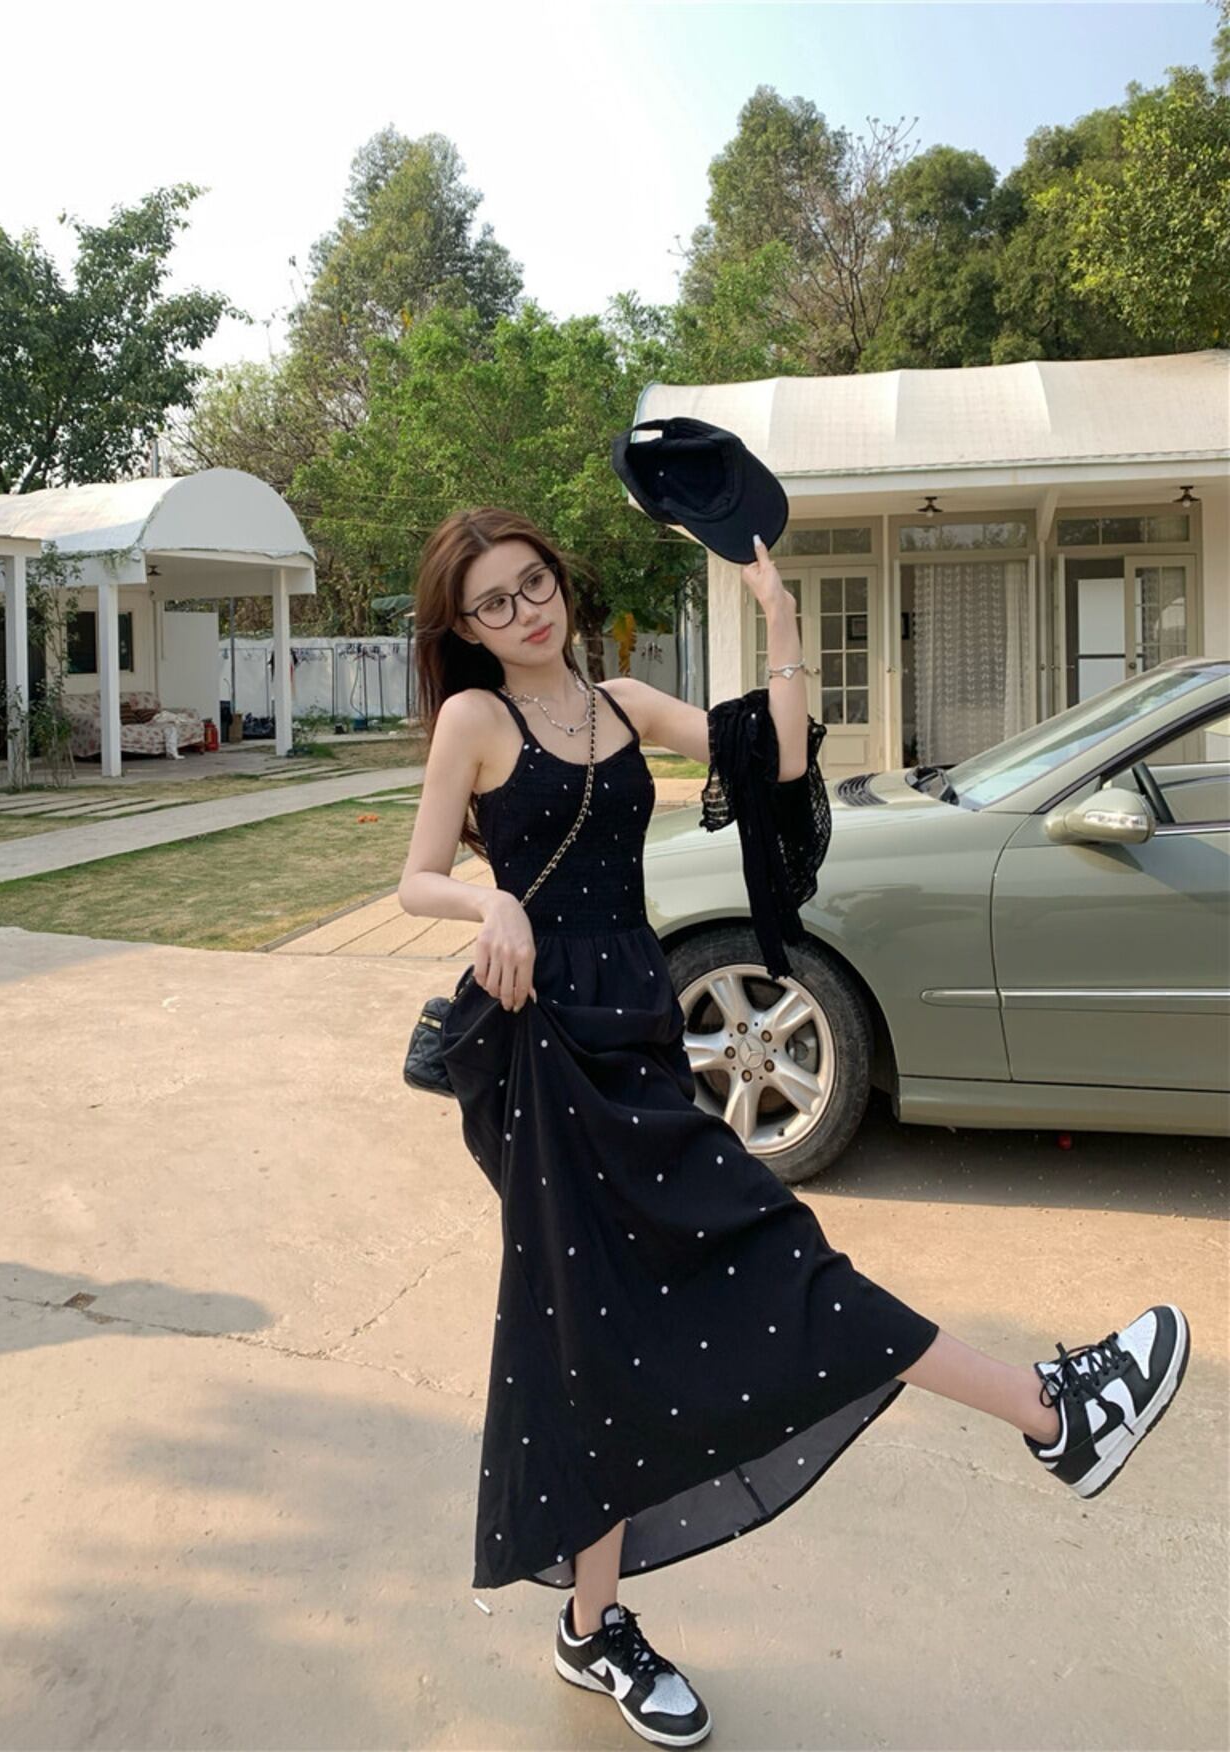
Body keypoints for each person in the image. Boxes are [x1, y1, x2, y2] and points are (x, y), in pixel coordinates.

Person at [397, 506, 1191, 1749]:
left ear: (559, 580)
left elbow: (769, 756)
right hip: (545, 1057)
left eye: (532, 583)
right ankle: (1052, 1414)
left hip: (636, 1032)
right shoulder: (474, 720)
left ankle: (589, 1627)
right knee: (750, 1267)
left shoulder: (618, 704)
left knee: (602, 1336)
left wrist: (776, 616)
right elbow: (413, 876)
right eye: (491, 603)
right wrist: (486, 902)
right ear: (462, 625)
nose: (522, 613)